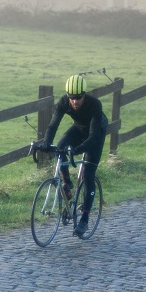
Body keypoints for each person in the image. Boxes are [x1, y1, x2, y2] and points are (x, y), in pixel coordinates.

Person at [41, 73, 108, 235]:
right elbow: (52, 126)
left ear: (84, 95)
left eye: (78, 97)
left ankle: (84, 219)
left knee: (89, 174)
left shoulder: (94, 105)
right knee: (60, 147)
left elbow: (92, 137)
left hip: (96, 133)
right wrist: (45, 143)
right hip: (78, 129)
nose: (75, 101)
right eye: (72, 97)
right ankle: (67, 183)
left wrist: (77, 150)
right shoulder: (64, 102)